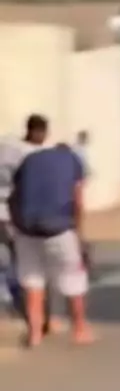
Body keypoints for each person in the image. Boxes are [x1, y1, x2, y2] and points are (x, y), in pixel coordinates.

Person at [9, 139, 93, 347]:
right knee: (73, 278)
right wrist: (79, 234)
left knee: (33, 280)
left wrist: (16, 224)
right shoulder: (74, 160)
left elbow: (13, 196)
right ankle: (80, 330)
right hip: (60, 229)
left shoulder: (30, 159)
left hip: (26, 230)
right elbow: (78, 199)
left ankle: (35, 334)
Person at [0, 115, 49, 323]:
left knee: (4, 259)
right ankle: (17, 304)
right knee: (21, 260)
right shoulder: (32, 155)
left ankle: (6, 300)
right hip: (15, 212)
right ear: (38, 132)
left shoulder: (6, 145)